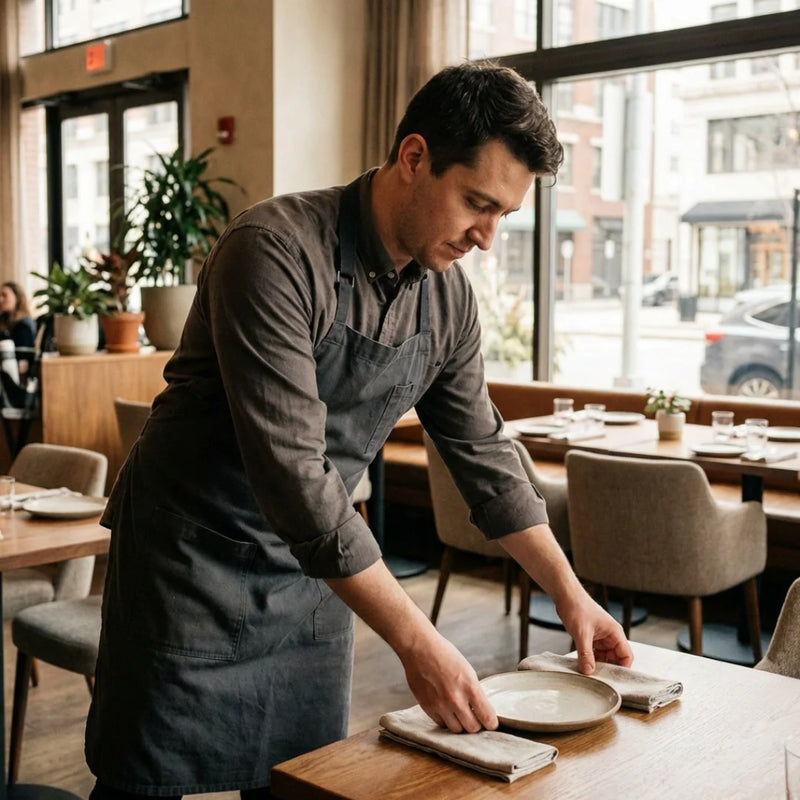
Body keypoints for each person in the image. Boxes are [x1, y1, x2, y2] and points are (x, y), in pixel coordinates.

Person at [85, 62, 633, 799]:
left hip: (318, 577)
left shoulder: (449, 300)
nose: (488, 237)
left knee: (303, 782)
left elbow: (483, 455)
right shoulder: (274, 251)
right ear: (414, 158)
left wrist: (570, 593)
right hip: (191, 566)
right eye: (477, 203)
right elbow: (293, 470)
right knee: (143, 783)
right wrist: (416, 638)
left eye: (505, 213)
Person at [0, 281, 37, 374]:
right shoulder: (5, 321)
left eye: (4, 295)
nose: (0, 299)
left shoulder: (23, 325)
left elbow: (23, 359)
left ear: (17, 298)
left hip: (16, 370)